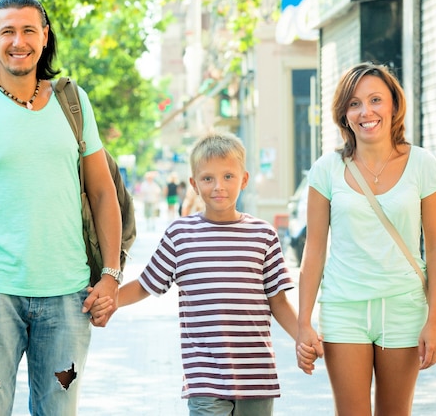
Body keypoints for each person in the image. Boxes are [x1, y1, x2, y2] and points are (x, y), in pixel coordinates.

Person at [0, 0, 122, 416]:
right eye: (8, 31)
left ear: (44, 36)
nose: (19, 41)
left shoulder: (73, 103)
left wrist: (110, 274)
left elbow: (103, 192)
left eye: (28, 30)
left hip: (69, 302)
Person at [94, 132, 321, 416]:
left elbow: (277, 302)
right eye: (207, 179)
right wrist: (111, 300)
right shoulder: (180, 235)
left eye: (228, 177)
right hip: (205, 377)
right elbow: (145, 284)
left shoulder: (263, 235)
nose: (218, 187)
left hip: (257, 377)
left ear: (244, 179)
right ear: (193, 184)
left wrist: (303, 333)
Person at [297, 62, 436, 415]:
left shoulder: (423, 165)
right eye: (354, 103)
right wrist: (304, 323)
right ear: (344, 114)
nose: (366, 111)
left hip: (404, 308)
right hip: (344, 309)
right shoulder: (326, 169)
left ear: (393, 105)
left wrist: (434, 321)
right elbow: (314, 250)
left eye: (375, 99)